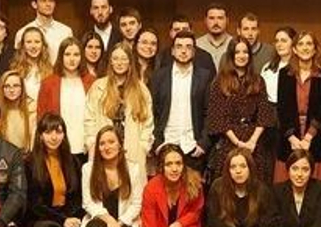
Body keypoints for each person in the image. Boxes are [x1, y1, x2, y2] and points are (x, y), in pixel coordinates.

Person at [26, 113, 83, 227]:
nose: (53, 137)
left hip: (65, 215)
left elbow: (76, 196)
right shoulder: (30, 162)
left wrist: (71, 217)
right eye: (48, 131)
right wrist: (62, 220)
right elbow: (34, 204)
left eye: (58, 132)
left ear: (64, 135)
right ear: (40, 135)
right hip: (39, 217)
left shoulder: (72, 161)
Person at [205, 37, 276, 184]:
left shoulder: (258, 80)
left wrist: (252, 142)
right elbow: (217, 117)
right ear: (231, 55)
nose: (241, 55)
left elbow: (264, 113)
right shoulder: (219, 82)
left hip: (254, 142)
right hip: (229, 141)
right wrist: (237, 142)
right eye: (237, 52)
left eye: (245, 52)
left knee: (255, 186)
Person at [87, 43, 156, 185]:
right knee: (105, 191)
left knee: (132, 194)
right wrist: (91, 143)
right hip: (105, 149)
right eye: (116, 59)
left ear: (130, 62)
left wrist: (144, 146)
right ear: (111, 61)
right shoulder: (98, 87)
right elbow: (89, 119)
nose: (119, 63)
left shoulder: (141, 90)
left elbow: (148, 123)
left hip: (132, 150)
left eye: (124, 59)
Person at [81, 127, 142, 227]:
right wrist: (109, 221)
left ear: (120, 144)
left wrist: (120, 222)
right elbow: (87, 203)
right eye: (102, 144)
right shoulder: (88, 169)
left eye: (111, 142)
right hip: (101, 219)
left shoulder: (133, 169)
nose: (106, 147)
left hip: (124, 221)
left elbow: (137, 204)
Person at [151, 30, 213, 174]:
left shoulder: (205, 77)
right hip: (166, 146)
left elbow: (209, 113)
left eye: (188, 47)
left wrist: (203, 144)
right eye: (179, 47)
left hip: (193, 148)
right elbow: (153, 112)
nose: (183, 51)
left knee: (193, 194)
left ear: (194, 51)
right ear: (172, 51)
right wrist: (157, 144)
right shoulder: (158, 77)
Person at [275, 31, 321, 188]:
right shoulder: (284, 74)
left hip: (316, 136)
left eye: (309, 44)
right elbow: (282, 108)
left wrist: (308, 138)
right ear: (294, 49)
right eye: (300, 44)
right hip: (290, 136)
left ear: (315, 49)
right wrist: (292, 138)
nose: (305, 48)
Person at [37, 38, 93, 167]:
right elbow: (42, 116)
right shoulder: (48, 83)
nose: (72, 59)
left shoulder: (92, 82)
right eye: (67, 54)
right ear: (60, 56)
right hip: (57, 145)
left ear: (82, 57)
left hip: (86, 145)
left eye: (76, 54)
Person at [204, 147, 275, 227]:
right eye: (233, 167)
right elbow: (212, 221)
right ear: (228, 170)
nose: (238, 171)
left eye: (243, 166)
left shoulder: (261, 190)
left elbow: (266, 223)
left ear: (250, 168)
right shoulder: (218, 186)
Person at [141, 143, 206, 227]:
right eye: (169, 164)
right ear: (161, 167)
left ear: (183, 165)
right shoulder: (151, 188)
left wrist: (180, 223)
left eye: (178, 163)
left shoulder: (194, 182)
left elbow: (195, 212)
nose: (174, 169)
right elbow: (149, 226)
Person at [271, 150, 321, 227]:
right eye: (295, 169)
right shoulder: (277, 190)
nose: (299, 174)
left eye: (305, 169)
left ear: (311, 171)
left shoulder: (320, 187)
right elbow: (271, 221)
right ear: (288, 170)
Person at [16, 0, 73, 64]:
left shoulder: (65, 31)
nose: (48, 4)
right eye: (43, 1)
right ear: (34, 4)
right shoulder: (22, 32)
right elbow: (19, 62)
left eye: (51, 1)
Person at [0, 70, 34, 150]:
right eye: (7, 86)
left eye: (16, 86)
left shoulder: (31, 110)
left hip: (25, 157)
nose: (11, 90)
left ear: (22, 88)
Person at [14, 25, 51, 104]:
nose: (33, 46)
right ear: (23, 45)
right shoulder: (15, 70)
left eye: (37, 42)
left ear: (43, 45)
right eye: (29, 42)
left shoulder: (51, 70)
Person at [261, 26, 295, 104]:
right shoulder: (267, 67)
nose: (279, 44)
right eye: (277, 41)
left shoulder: (299, 68)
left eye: (283, 41)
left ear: (293, 43)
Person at [196, 2, 233, 68]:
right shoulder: (197, 45)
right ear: (205, 21)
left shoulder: (235, 44)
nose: (216, 22)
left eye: (220, 18)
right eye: (211, 18)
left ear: (227, 21)